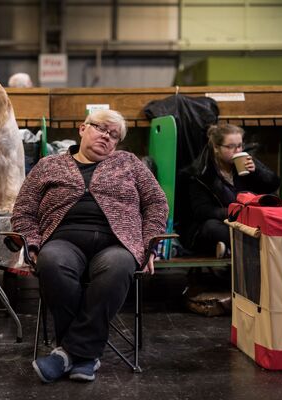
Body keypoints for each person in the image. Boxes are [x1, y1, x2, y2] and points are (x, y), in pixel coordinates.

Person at [11, 109, 168, 383]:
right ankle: (86, 356)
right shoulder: (48, 165)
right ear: (83, 129)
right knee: (51, 262)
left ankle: (66, 355)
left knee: (118, 267)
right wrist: (32, 242)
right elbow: (24, 209)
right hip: (63, 240)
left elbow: (156, 202)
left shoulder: (129, 163)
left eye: (114, 135)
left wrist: (149, 242)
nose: (107, 136)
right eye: (101, 128)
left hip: (117, 242)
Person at [180, 124, 279, 257]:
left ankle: (232, 250)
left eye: (239, 146)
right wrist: (236, 212)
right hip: (222, 223)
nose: (237, 151)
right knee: (211, 227)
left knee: (271, 218)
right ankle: (255, 249)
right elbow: (202, 211)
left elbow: (274, 185)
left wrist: (257, 171)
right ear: (216, 147)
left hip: (247, 223)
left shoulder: (247, 163)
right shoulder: (200, 173)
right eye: (230, 146)